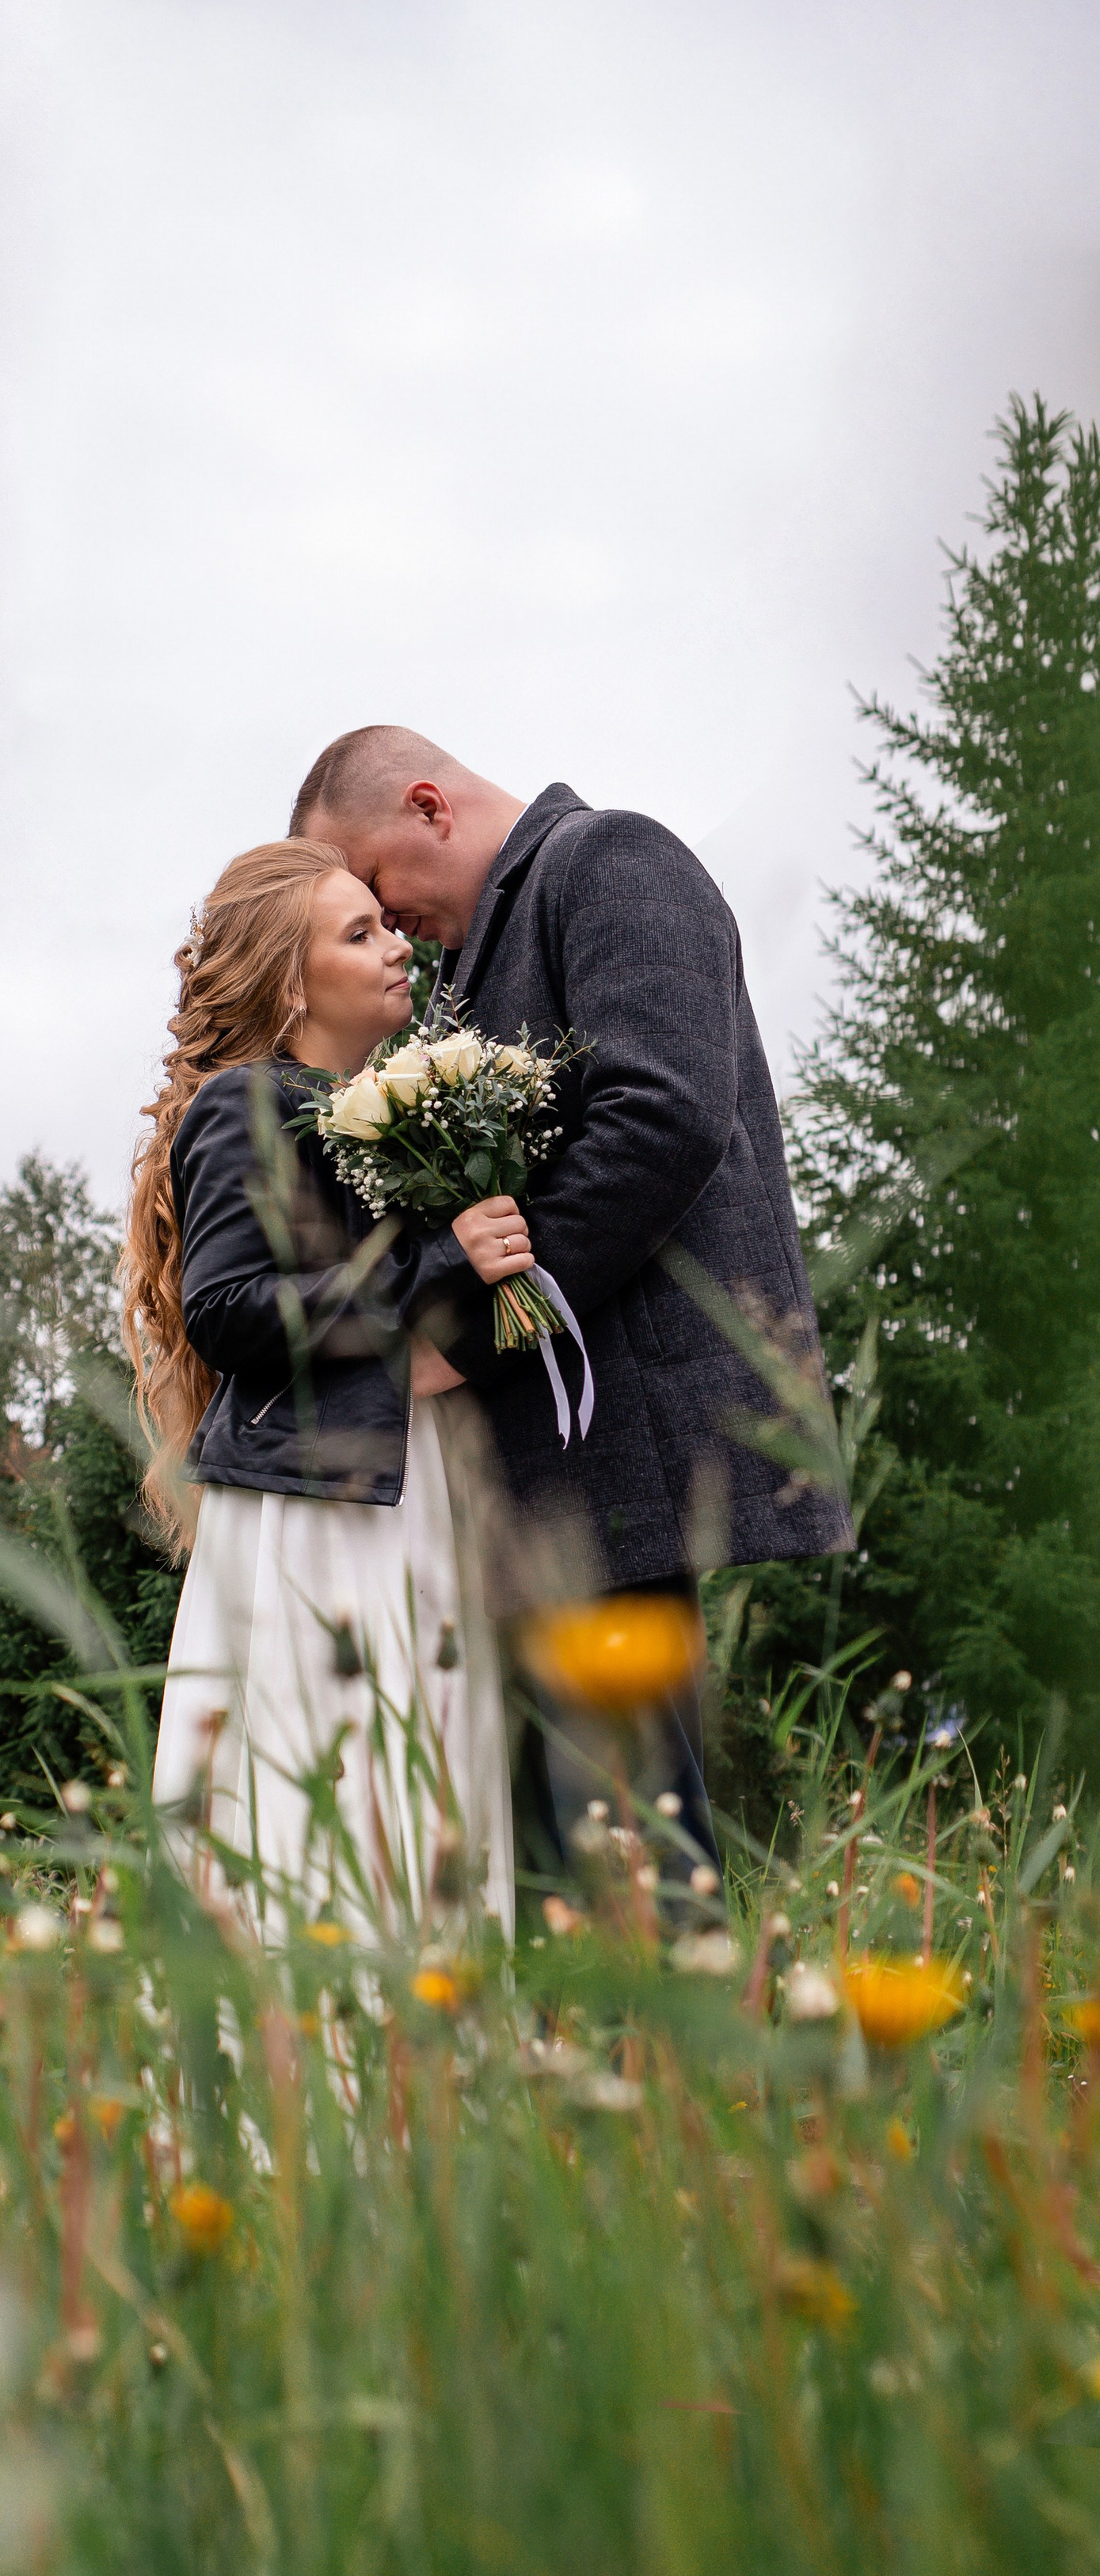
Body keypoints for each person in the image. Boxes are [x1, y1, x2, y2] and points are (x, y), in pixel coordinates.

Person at [289, 726, 854, 1866]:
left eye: (377, 883)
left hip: (618, 1441)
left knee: (624, 1835)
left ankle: (683, 1996)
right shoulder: (466, 970)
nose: (386, 919)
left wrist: (468, 1332)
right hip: (542, 1468)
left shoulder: (611, 859)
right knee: (571, 1841)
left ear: (429, 806)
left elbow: (662, 1117)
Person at [123, 838, 533, 1933]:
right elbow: (227, 1308)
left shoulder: (385, 1112)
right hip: (315, 1509)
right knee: (326, 1795)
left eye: (389, 925)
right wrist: (439, 1264)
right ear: (291, 984)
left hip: (413, 1485)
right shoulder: (245, 1106)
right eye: (361, 933)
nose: (398, 946)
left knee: (425, 1785)